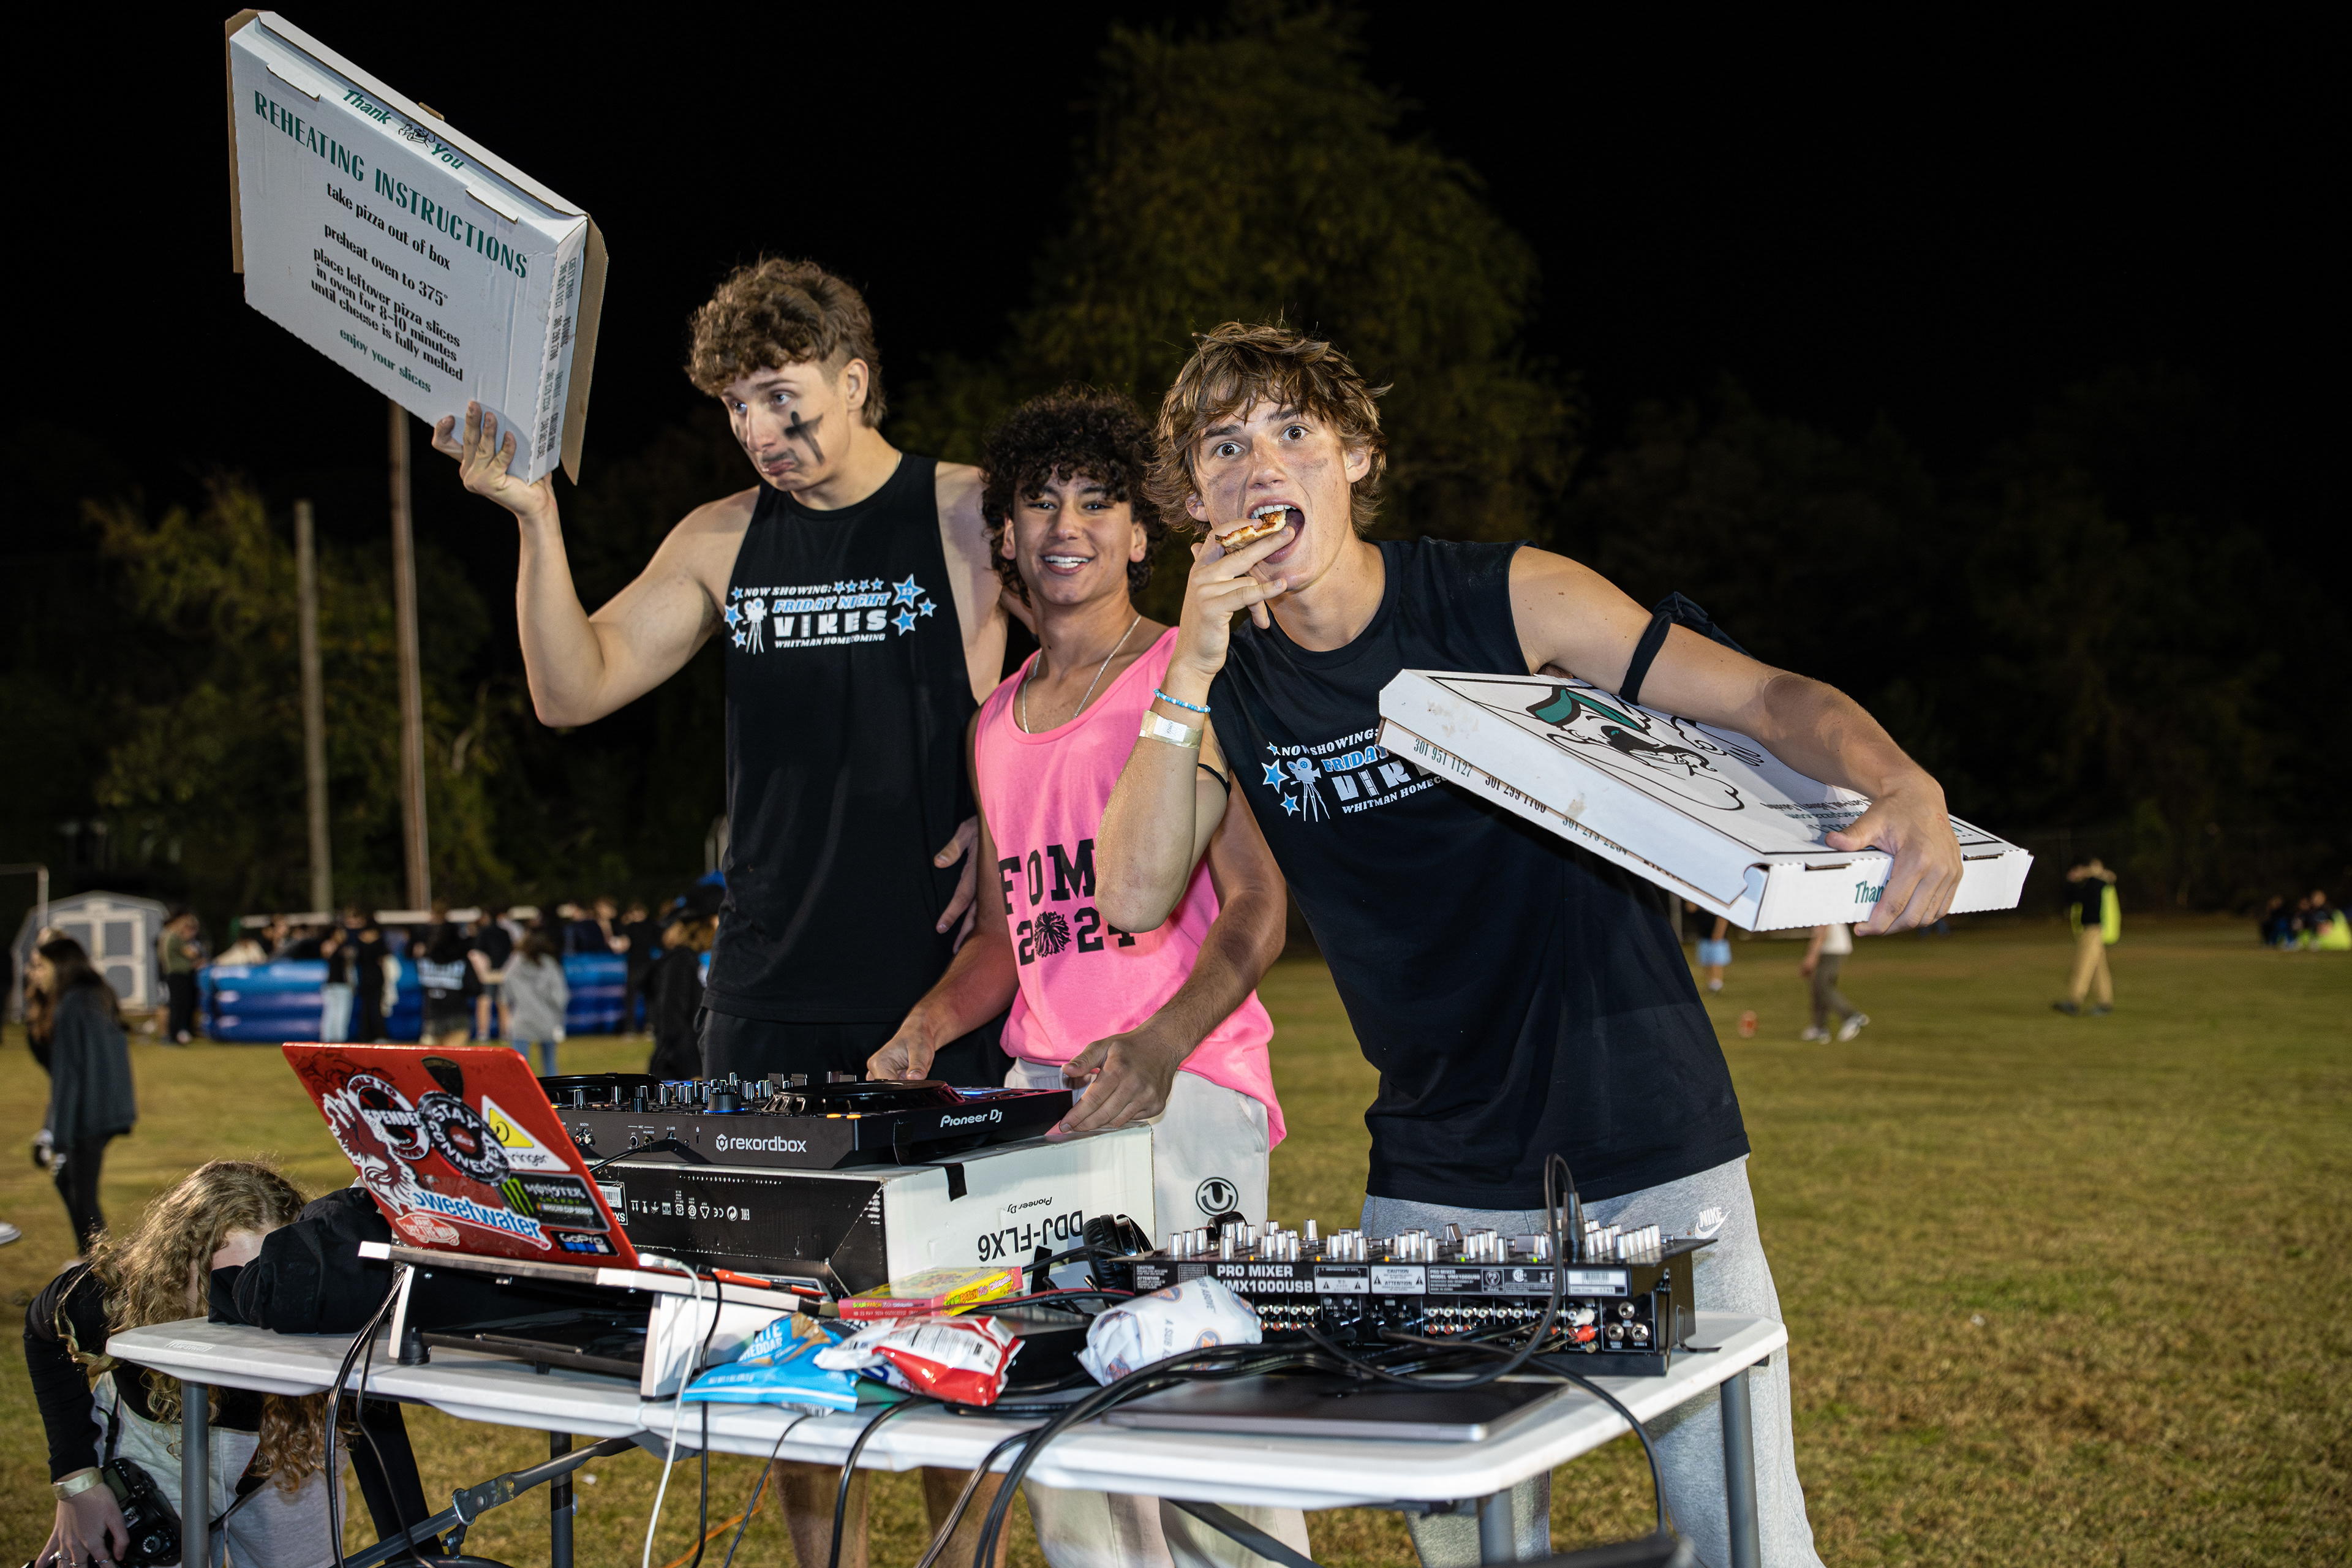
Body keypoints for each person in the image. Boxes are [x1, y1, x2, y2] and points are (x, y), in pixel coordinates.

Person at [1097, 323, 1964, 1568]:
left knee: (1744, 1532)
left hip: (1649, 1135)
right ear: (1192, 501)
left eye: (1293, 430)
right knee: (1466, 1540)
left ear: (1356, 456)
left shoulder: (1506, 597)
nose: (1261, 465)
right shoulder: (1223, 681)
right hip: (1437, 1167)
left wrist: (1904, 780)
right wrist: (1187, 659)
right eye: (1224, 447)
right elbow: (1132, 893)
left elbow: (1765, 697)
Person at [865, 389, 1302, 1568]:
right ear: (1005, 534)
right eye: (1041, 501)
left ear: (1142, 532)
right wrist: (923, 1028)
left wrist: (1162, 1044)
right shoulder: (994, 722)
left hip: (1185, 1087)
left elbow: (1259, 905)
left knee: (1210, 1436)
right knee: (1065, 1448)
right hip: (1043, 1110)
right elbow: (1007, 941)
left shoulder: (1187, 670)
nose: (1068, 524)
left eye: (1098, 501)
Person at [434, 257, 1013, 1088]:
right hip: (763, 994)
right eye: (737, 406)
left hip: (939, 982)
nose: (757, 433)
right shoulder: (720, 538)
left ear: (853, 382)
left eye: (779, 397)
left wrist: (1016, 815)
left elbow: (1101, 662)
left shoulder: (968, 514)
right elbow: (571, 691)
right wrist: (537, 519)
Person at [25, 1161, 339, 1568]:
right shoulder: (121, 1293)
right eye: (225, 1284)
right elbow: (42, 1333)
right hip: (153, 1452)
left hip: (285, 1449)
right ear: (176, 1265)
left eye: (267, 1280)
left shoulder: (324, 1302)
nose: (249, 1306)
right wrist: (77, 1482)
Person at [26, 937, 137, 1253]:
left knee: (82, 1193)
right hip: (102, 1109)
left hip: (90, 1114)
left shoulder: (73, 1004)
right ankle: (88, 1260)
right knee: (69, 1183)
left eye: (41, 967)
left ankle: (99, 1268)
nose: (35, 974)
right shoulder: (92, 995)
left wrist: (57, 1137)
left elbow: (68, 1075)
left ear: (60, 967)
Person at [646, 895, 718, 1080]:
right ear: (704, 925)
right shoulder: (680, 961)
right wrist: (693, 1072)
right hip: (677, 1075)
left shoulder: (690, 960)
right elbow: (672, 1020)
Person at [504, 925, 570, 1075]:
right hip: (547, 1019)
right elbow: (560, 996)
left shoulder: (515, 964)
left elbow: (507, 989)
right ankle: (551, 1091)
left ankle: (521, 1090)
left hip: (522, 1020)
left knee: (519, 1069)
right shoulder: (549, 965)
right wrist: (559, 1018)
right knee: (550, 1066)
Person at [2054, 858, 2117, 1014]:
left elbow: (2109, 877)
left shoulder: (2098, 883)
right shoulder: (2092, 884)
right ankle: (2105, 1002)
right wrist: (2072, 881)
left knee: (2083, 965)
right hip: (2091, 930)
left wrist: (2082, 875)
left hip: (2093, 930)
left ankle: (2074, 1001)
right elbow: (2072, 899)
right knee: (2098, 969)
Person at [415, 924, 483, 1047]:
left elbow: (419, 984)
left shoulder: (425, 960)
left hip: (432, 1016)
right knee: (453, 1057)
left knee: (432, 1057)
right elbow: (476, 988)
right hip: (457, 1017)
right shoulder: (462, 961)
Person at [1797, 924, 1867, 1041]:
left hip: (1833, 948)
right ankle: (1819, 1028)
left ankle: (1851, 1016)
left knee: (1822, 984)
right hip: (1831, 948)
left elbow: (1823, 929)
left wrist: (1811, 957)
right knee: (1819, 985)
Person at [469, 907, 517, 1041]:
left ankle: (483, 1033)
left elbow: (476, 953)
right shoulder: (504, 932)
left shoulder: (483, 932)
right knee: (503, 1002)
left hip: (488, 973)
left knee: (485, 1001)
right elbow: (511, 952)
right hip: (503, 971)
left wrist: (482, 970)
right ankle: (505, 1033)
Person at [156, 908, 202, 1045]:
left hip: (173, 974)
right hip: (178, 975)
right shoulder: (176, 938)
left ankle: (172, 1036)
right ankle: (173, 1036)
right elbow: (191, 954)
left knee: (175, 1006)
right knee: (177, 1007)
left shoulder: (167, 936)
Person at [618, 900, 658, 1031]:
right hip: (648, 963)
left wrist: (624, 924)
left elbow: (624, 945)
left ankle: (630, 1027)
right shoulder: (652, 925)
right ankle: (650, 1024)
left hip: (635, 963)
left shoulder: (630, 927)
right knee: (649, 996)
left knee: (632, 997)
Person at [1698, 913, 1735, 993]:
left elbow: (1723, 918)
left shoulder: (1717, 909)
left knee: (1716, 962)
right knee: (1707, 962)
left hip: (1717, 939)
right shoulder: (1702, 908)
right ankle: (1711, 984)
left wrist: (1719, 934)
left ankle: (1717, 984)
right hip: (1705, 938)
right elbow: (1691, 910)